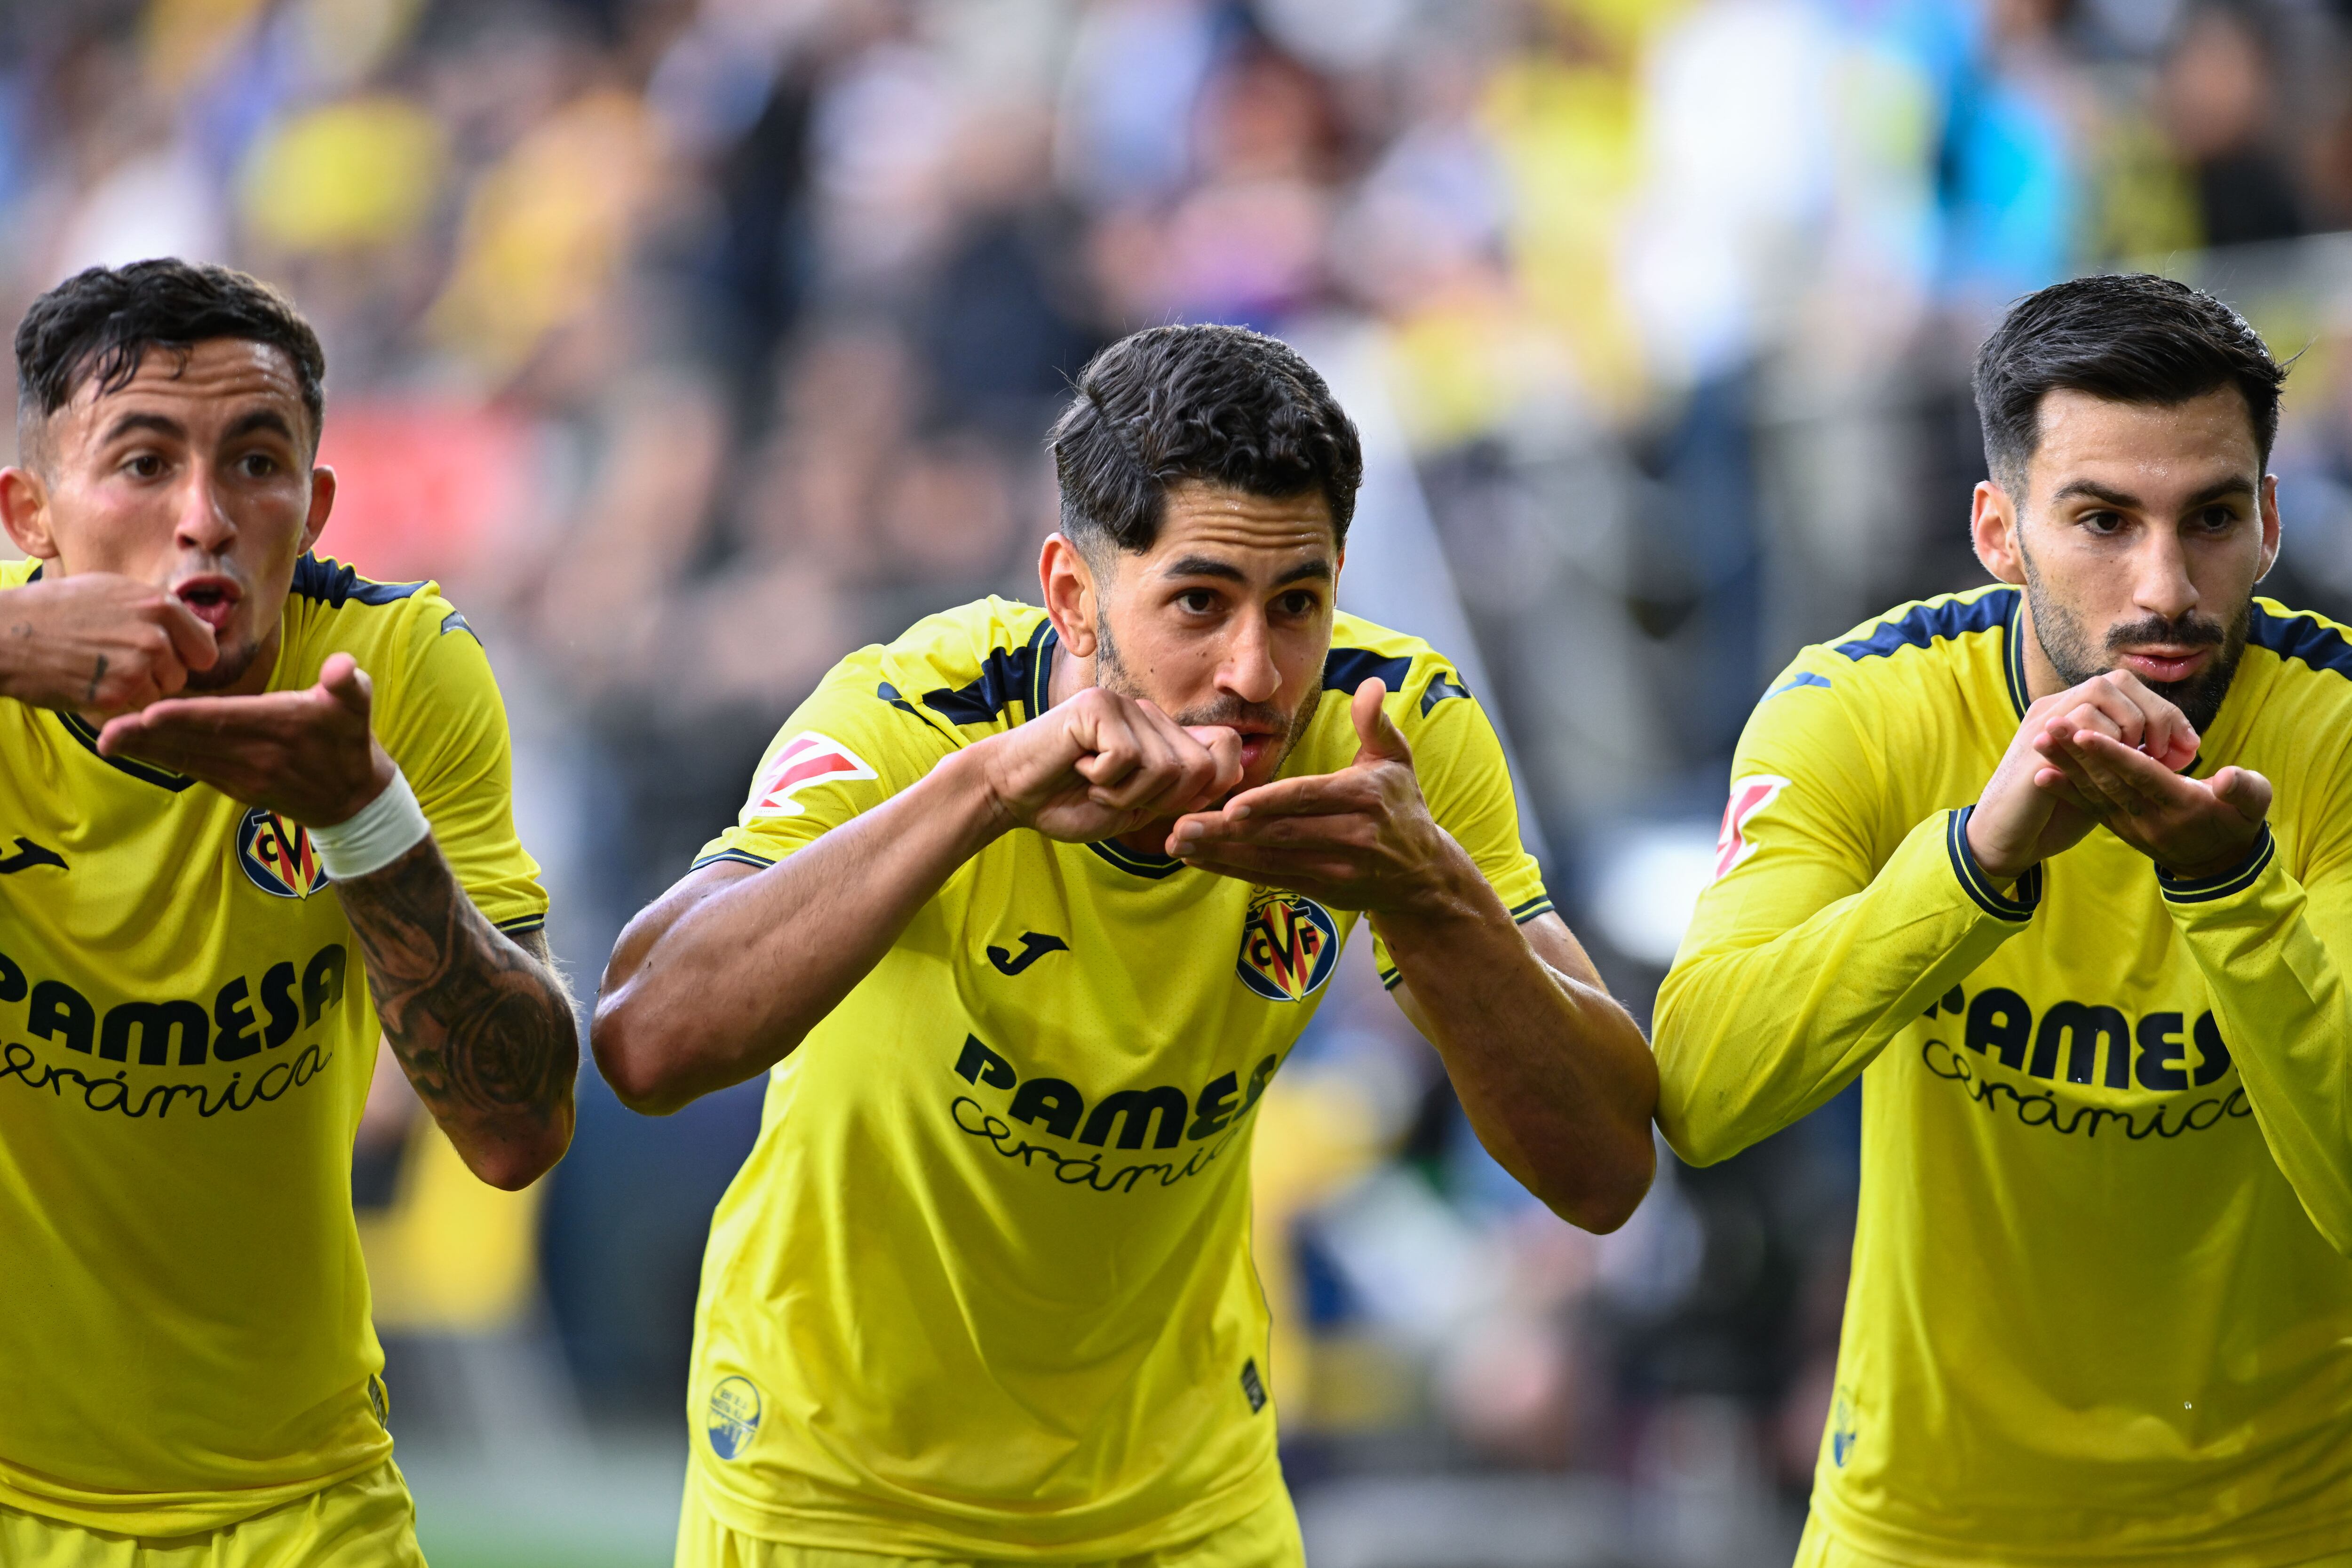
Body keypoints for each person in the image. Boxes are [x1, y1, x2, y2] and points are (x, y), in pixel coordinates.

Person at [593, 323, 1658, 1565]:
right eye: (1199, 602)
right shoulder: (916, 716)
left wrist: (1433, 898)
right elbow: (644, 1041)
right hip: (843, 1489)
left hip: (1185, 1499)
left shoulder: (1388, 735)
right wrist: (987, 794)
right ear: (1073, 597)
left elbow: (1604, 1174)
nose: (1256, 673)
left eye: (1298, 604)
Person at [1656, 272, 2352, 1564]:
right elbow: (1703, 1090)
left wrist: (2228, 889)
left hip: (2286, 1529)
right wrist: (1976, 863)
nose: (2164, 589)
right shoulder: (1856, 713)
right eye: (2102, 520)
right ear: (2000, 530)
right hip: (1921, 1528)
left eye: (2209, 519)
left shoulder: (2340, 736)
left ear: (2268, 522)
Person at [0, 260, 577, 1563]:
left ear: (312, 509)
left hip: (298, 1504)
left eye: (255, 465)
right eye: (142, 464)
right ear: (32, 515)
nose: (204, 518)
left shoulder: (394, 677)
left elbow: (517, 1131)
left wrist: (364, 819)